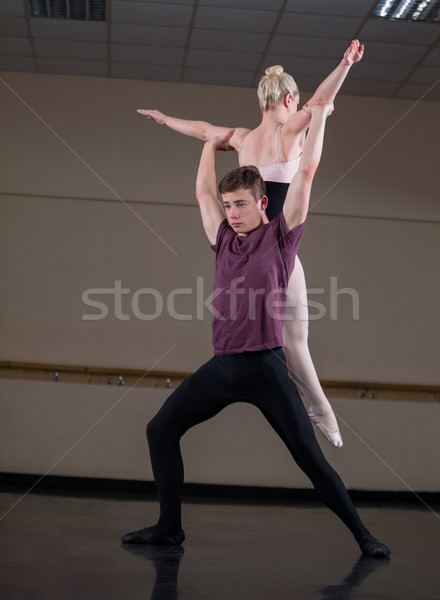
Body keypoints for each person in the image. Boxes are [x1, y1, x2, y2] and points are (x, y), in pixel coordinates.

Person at [122, 103, 390, 558]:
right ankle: (170, 527)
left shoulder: (283, 240)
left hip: (266, 368)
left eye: (241, 204)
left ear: (263, 203)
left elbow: (307, 172)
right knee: (159, 430)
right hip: (223, 368)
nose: (232, 213)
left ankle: (364, 536)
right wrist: (208, 145)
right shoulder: (222, 239)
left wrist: (320, 115)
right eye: (229, 206)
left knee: (310, 458)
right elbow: (202, 193)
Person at [137, 40, 364, 448]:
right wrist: (345, 65)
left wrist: (165, 119)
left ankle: (316, 409)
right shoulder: (288, 131)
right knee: (295, 342)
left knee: (273, 335)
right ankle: (322, 411)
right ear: (289, 99)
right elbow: (321, 103)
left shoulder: (242, 139)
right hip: (280, 256)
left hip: (245, 257)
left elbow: (204, 131)